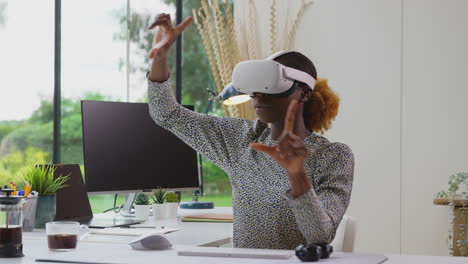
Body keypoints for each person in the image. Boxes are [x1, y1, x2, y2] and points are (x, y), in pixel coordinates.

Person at [147, 14, 354, 250]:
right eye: (256, 87)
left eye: (272, 85)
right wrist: (160, 58)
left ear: (304, 93)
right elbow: (167, 114)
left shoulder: (334, 157)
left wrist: (297, 174)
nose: (259, 95)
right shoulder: (241, 140)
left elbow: (320, 237)